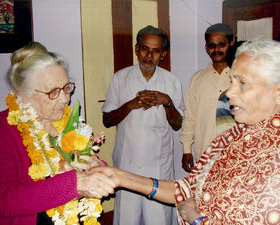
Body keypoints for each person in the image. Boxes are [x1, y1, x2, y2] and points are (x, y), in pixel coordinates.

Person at [92, 39, 280, 224]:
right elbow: (188, 188)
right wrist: (120, 177)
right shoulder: (228, 138)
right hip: (129, 161)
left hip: (159, 163)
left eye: (243, 83)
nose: (229, 92)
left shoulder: (274, 154)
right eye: (231, 82)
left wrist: (194, 218)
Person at [0, 42, 116, 225]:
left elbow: (87, 166)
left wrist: (97, 165)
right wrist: (75, 185)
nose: (65, 98)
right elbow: (5, 199)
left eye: (67, 87)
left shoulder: (68, 121)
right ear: (23, 94)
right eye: (53, 92)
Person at [102, 25, 183, 225]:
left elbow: (177, 124)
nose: (149, 55)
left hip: (159, 165)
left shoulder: (171, 81)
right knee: (127, 218)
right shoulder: (120, 78)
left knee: (159, 219)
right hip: (127, 162)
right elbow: (107, 120)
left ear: (163, 54)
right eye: (145, 48)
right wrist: (131, 105)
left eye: (156, 51)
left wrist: (168, 102)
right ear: (136, 49)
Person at [180, 23, 237, 172]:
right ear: (206, 48)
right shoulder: (197, 79)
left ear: (232, 43)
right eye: (212, 46)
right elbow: (190, 117)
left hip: (236, 153)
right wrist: (186, 150)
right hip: (205, 154)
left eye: (221, 44)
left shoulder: (240, 76)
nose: (216, 49)